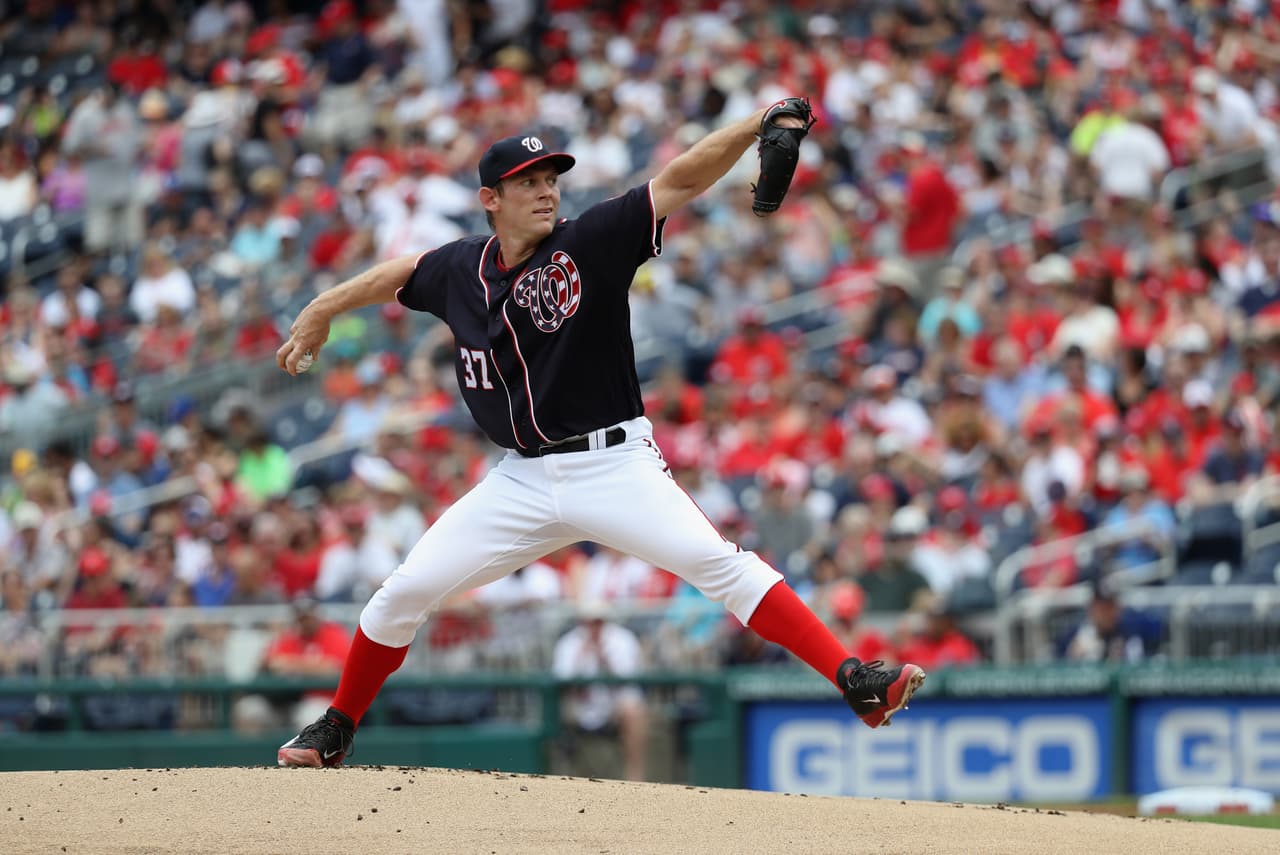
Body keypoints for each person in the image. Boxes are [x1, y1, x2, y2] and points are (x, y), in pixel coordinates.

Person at [274, 105, 925, 768]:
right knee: (401, 593)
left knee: (720, 564)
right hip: (521, 478)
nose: (547, 190)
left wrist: (755, 124)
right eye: (528, 181)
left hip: (612, 464)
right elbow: (400, 274)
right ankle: (337, 726)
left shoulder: (589, 242)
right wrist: (323, 308)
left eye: (551, 177)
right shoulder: (459, 269)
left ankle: (855, 681)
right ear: (489, 199)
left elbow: (676, 181)